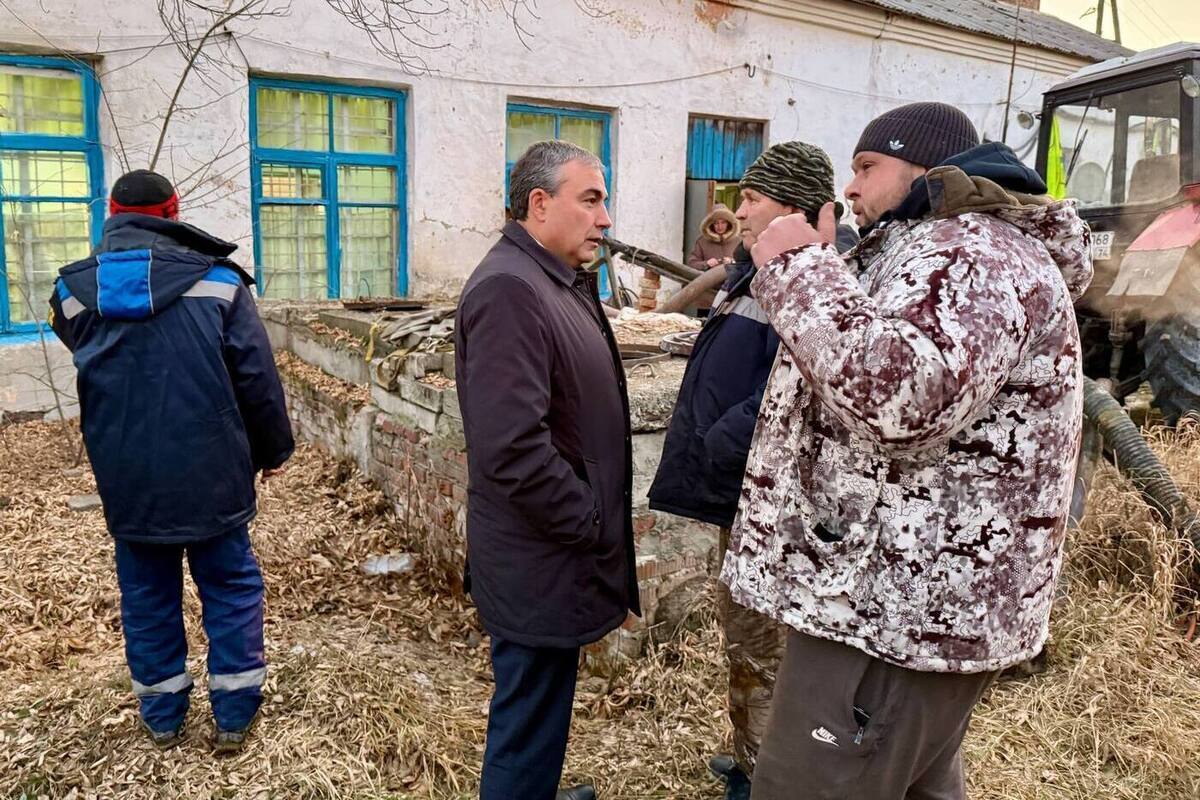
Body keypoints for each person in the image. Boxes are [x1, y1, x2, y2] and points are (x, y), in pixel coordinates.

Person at [721, 103, 1094, 799]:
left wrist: (801, 267)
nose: (852, 189)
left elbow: (903, 399)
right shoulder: (935, 250)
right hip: (895, 602)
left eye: (867, 167)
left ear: (928, 168)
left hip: (891, 615)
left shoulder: (975, 254)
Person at [48, 169, 294, 753]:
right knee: (231, 586)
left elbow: (87, 352)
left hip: (127, 474)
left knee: (147, 591)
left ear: (109, 211)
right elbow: (255, 376)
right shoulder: (220, 283)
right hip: (212, 470)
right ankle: (233, 715)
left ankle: (162, 716)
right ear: (174, 210)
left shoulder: (72, 291)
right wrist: (273, 449)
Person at [648, 141, 857, 800]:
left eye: (754, 199)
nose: (737, 210)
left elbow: (798, 384)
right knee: (742, 634)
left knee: (768, 648)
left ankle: (770, 781)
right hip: (735, 492)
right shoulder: (751, 272)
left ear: (793, 207)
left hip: (767, 499)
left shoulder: (812, 278)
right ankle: (747, 759)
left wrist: (720, 440)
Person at [455, 140, 639, 800]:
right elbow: (511, 449)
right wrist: (590, 522)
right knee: (527, 720)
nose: (606, 218)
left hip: (553, 555)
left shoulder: (548, 278)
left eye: (605, 201)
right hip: (541, 556)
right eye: (590, 200)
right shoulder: (511, 288)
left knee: (541, 713)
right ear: (539, 203)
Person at [686, 203, 740, 270]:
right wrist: (706, 263)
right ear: (711, 224)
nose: (720, 227)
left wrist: (732, 262)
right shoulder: (702, 241)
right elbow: (691, 264)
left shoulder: (738, 241)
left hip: (734, 279)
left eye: (723, 222)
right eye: (716, 223)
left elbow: (747, 264)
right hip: (710, 279)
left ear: (728, 223)